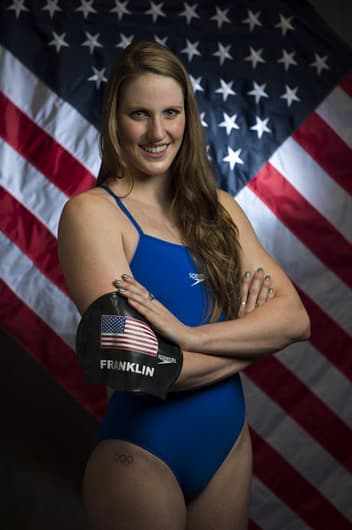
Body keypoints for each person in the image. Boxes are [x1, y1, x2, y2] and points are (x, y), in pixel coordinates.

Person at [57, 40, 310, 530]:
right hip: (142, 451)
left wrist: (191, 338)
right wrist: (254, 339)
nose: (158, 132)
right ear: (115, 119)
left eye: (171, 112)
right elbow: (136, 364)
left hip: (227, 447)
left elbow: (294, 319)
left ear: (187, 118)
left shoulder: (220, 210)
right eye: (139, 114)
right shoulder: (92, 214)